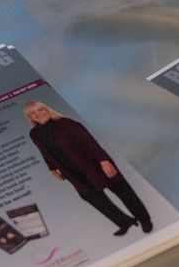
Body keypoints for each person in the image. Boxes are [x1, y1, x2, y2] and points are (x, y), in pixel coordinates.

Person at [25, 99, 152, 236]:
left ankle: (145, 220)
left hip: (96, 165)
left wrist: (104, 161)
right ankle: (124, 222)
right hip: (73, 173)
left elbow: (90, 142)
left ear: (47, 110)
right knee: (93, 198)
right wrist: (51, 168)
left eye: (40, 110)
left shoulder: (67, 123)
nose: (38, 114)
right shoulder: (34, 134)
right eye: (33, 113)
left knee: (125, 193)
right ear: (30, 117)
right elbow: (44, 152)